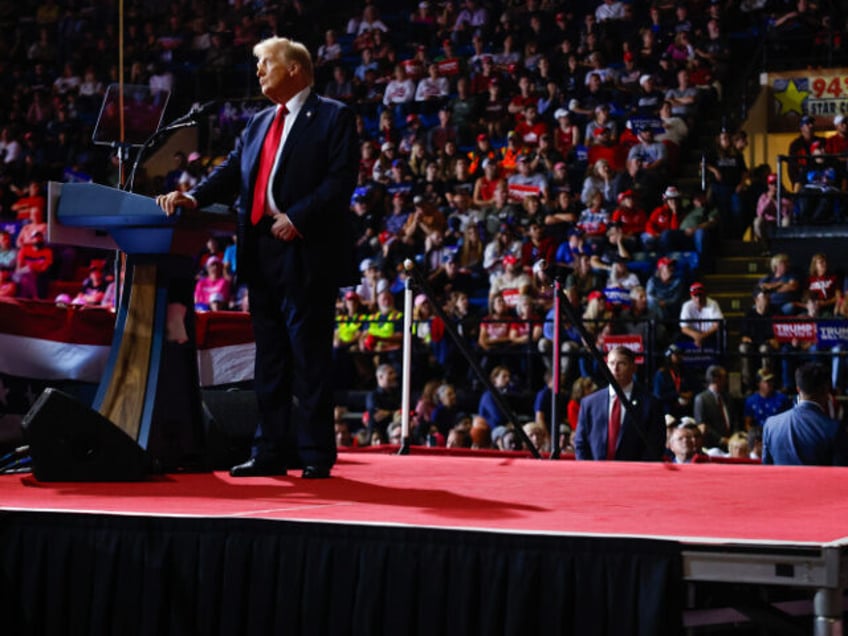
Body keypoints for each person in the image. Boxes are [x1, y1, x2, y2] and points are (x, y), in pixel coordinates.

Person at [156, 37, 358, 479]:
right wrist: (193, 197)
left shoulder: (334, 117)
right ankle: (269, 451)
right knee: (268, 359)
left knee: (309, 358)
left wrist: (297, 217)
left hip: (305, 249)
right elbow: (232, 171)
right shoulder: (259, 122)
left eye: (265, 64)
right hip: (260, 249)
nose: (259, 72)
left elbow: (340, 181)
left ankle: (315, 454)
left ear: (294, 70)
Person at [574, 346, 665, 461]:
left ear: (633, 368)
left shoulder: (650, 404)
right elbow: (580, 443)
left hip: (634, 474)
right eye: (611, 363)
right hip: (596, 473)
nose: (615, 369)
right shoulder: (589, 403)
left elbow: (655, 446)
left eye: (621, 363)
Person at [763, 362, 848, 466]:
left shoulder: (771, 425)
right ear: (826, 390)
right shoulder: (834, 429)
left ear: (798, 389)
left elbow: (766, 469)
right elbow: (841, 476)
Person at [693, 365, 735, 450]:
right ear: (716, 379)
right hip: (712, 446)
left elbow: (734, 420)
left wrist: (734, 438)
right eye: (724, 377)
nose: (726, 380)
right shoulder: (701, 399)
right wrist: (721, 439)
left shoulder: (728, 397)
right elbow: (702, 424)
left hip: (732, 444)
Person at [679, 282, 724, 350]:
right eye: (695, 296)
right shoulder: (686, 306)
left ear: (705, 294)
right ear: (691, 296)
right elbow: (684, 328)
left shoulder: (713, 304)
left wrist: (702, 336)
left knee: (721, 334)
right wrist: (696, 336)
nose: (698, 299)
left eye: (700, 295)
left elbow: (717, 325)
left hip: (709, 335)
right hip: (692, 336)